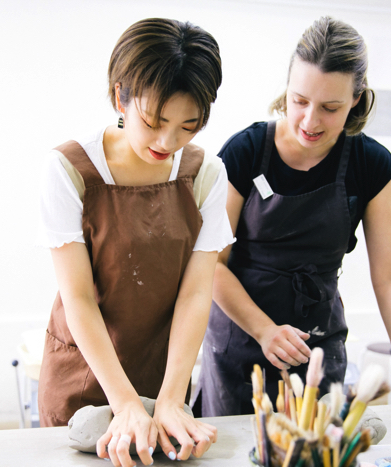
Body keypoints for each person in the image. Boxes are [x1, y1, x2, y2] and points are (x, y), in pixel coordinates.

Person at [195, 16, 391, 417]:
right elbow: (212, 265)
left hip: (317, 345)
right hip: (241, 346)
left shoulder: (372, 166)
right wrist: (263, 329)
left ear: (356, 100)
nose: (310, 121)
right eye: (299, 101)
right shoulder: (245, 152)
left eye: (330, 108)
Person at [37, 18, 232, 467]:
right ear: (119, 95)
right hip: (85, 377)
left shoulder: (206, 174)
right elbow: (80, 298)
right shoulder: (68, 170)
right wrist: (124, 404)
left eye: (189, 125)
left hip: (164, 373)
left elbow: (196, 292)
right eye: (154, 120)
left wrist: (170, 398)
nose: (169, 141)